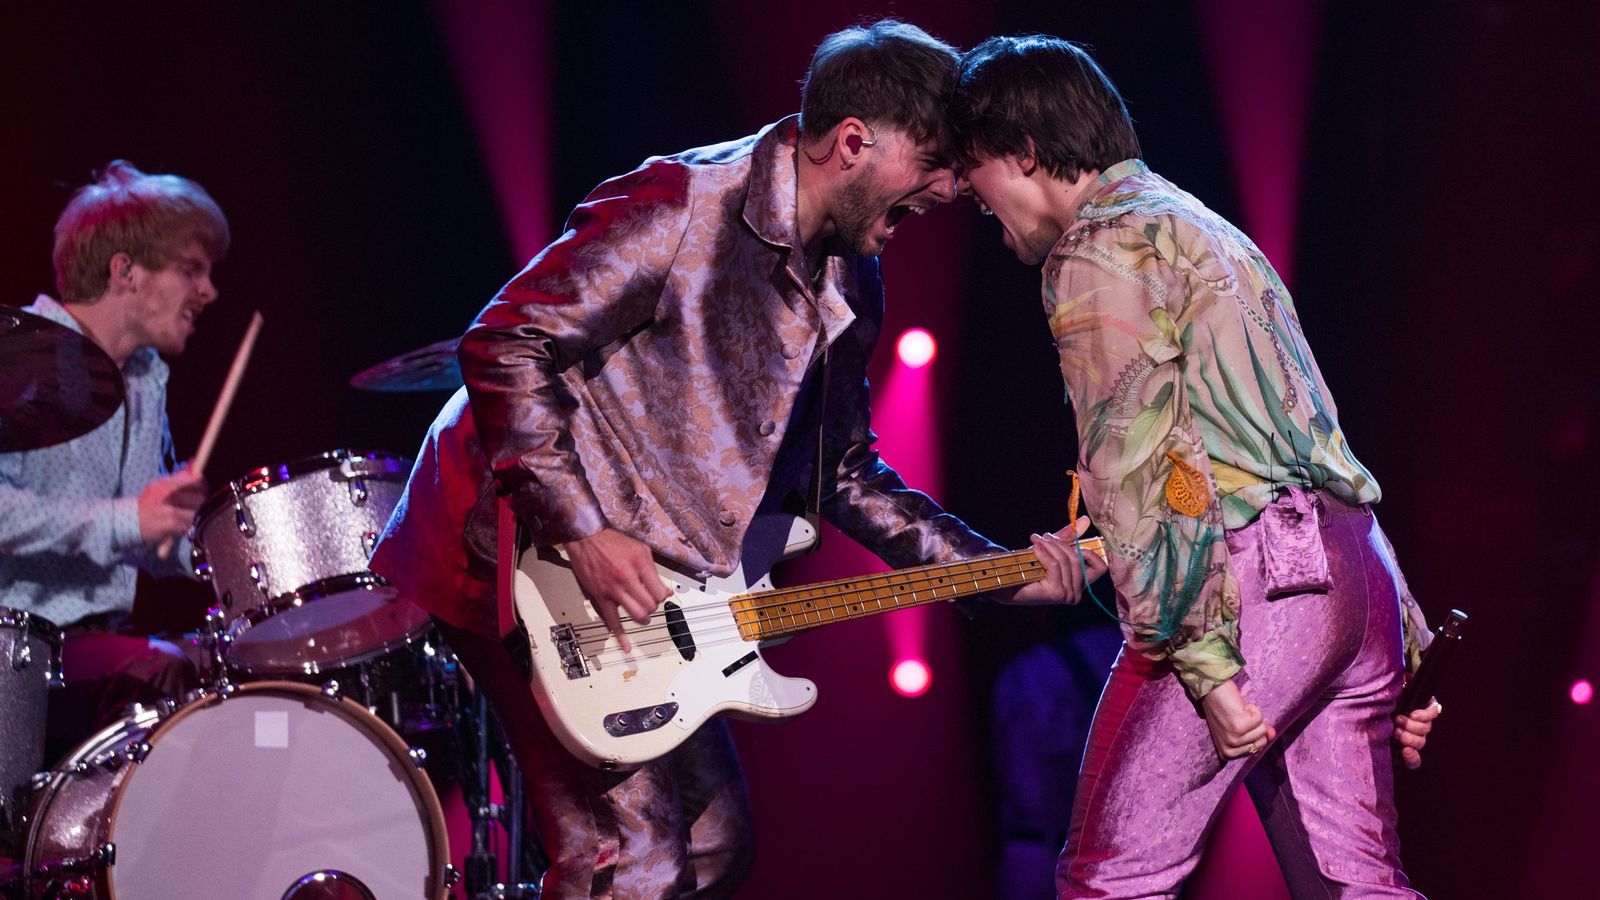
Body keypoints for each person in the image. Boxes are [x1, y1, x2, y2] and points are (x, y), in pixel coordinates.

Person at [371, 20, 1090, 900]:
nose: (951, 188)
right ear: (852, 142)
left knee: (715, 845)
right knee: (630, 861)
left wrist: (995, 573)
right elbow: (505, 343)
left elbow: (844, 471)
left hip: (648, 582)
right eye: (936, 161)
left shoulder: (853, 278)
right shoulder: (682, 205)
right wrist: (584, 530)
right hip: (507, 546)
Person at [949, 36, 1442, 898]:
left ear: (1022, 151)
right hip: (1354, 575)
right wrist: (1402, 634)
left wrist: (1201, 661)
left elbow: (1149, 472)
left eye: (971, 167)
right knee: (1359, 887)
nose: (964, 191)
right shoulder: (1202, 224)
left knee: (1112, 879)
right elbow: (1313, 437)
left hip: (1250, 589)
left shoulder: (1098, 249)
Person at [0, 160, 225, 759]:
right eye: (191, 270)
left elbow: (144, 536)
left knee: (233, 668)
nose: (209, 291)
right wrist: (129, 519)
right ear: (125, 271)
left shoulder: (146, 377)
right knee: (162, 671)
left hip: (96, 644)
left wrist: (227, 552)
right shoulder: (19, 358)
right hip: (18, 647)